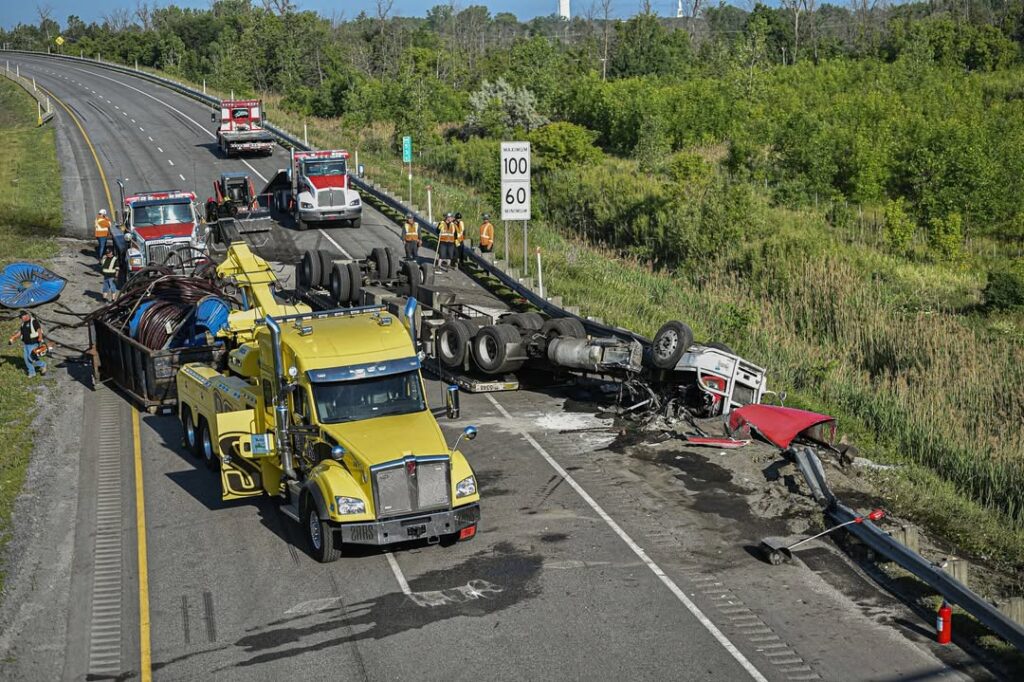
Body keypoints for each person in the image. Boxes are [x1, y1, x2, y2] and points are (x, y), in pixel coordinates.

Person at [8, 310, 47, 377]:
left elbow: (39, 330)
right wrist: (13, 337)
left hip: (33, 343)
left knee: (31, 358)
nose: (21, 318)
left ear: (26, 315)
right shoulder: (23, 324)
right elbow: (20, 333)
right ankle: (32, 372)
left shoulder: (33, 321)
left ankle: (43, 365)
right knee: (26, 359)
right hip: (26, 344)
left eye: (21, 317)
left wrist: (40, 337)